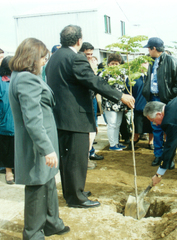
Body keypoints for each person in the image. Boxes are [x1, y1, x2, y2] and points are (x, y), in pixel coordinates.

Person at [46, 25, 135, 208]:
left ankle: (72, 191)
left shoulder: (54, 57)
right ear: (79, 40)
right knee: (76, 159)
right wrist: (120, 96)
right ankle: (76, 198)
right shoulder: (75, 58)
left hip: (60, 115)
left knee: (67, 158)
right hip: (74, 117)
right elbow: (92, 81)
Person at [9, 38, 70, 239]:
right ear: (32, 58)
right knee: (37, 187)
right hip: (37, 144)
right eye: (43, 58)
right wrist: (47, 148)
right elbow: (32, 119)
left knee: (48, 182)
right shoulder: (26, 79)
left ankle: (52, 222)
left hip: (42, 141)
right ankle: (33, 232)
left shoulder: (22, 76)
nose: (44, 61)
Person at [142, 37, 177, 167]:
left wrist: (167, 95)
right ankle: (158, 155)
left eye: (149, 49)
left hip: (167, 101)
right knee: (156, 129)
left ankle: (169, 157)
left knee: (169, 129)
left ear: (154, 48)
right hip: (153, 98)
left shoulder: (171, 61)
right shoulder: (151, 61)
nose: (148, 51)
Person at [79, 42, 104, 165]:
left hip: (92, 98)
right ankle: (87, 156)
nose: (89, 56)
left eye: (91, 54)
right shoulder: (79, 64)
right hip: (84, 101)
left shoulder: (92, 64)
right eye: (87, 54)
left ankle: (91, 152)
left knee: (93, 127)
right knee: (88, 129)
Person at [101, 53, 128, 151]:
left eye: (116, 64)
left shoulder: (122, 75)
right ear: (108, 64)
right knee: (112, 124)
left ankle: (116, 142)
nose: (114, 66)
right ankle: (112, 144)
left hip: (120, 103)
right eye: (112, 63)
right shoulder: (104, 74)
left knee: (118, 124)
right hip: (109, 103)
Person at [126, 61, 154, 150]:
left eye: (146, 63)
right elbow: (128, 92)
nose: (144, 65)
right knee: (137, 125)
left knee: (151, 126)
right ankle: (134, 139)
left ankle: (151, 142)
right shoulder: (133, 77)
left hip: (151, 106)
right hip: (138, 106)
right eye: (142, 63)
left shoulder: (152, 76)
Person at [0, 56, 15, 184]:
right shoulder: (1, 82)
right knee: (6, 147)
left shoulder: (18, 79)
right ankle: (8, 171)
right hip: (6, 121)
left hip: (18, 121)